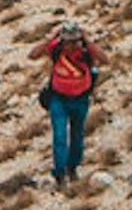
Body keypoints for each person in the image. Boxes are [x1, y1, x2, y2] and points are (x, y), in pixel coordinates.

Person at [36, 24, 102, 187]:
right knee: (59, 135)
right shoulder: (56, 50)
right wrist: (50, 37)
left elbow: (105, 59)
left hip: (80, 99)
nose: (71, 46)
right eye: (68, 42)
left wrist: (88, 41)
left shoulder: (86, 52)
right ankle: (60, 173)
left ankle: (72, 167)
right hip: (59, 99)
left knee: (77, 135)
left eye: (75, 42)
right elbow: (33, 55)